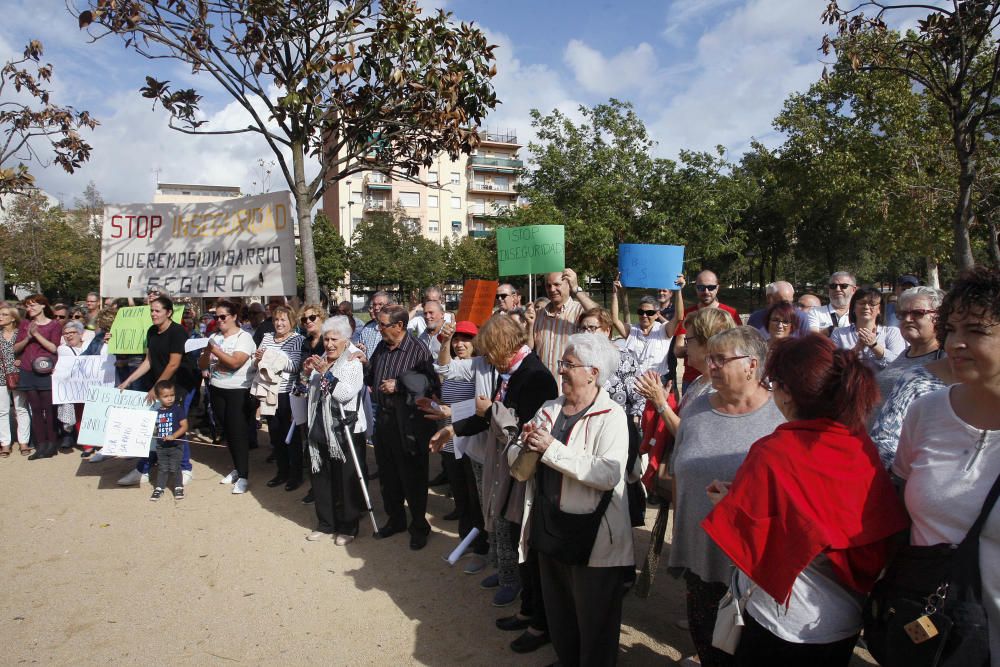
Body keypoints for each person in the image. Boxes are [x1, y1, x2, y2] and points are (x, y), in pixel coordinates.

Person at [702, 334, 908, 665]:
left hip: (783, 619)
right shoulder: (859, 445)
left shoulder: (773, 452)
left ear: (785, 392)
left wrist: (727, 503)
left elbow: (752, 542)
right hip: (844, 617)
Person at [430, 314, 558, 650]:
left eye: (489, 352)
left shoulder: (536, 377)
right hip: (506, 468)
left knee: (526, 545)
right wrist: (453, 429)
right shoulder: (512, 371)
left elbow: (523, 428)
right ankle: (528, 610)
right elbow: (488, 417)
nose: (486, 359)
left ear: (503, 347)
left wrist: (489, 412)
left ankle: (538, 620)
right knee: (513, 538)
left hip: (524, 473)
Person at [891, 266, 1000, 660]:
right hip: (931, 626)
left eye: (976, 330)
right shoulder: (925, 412)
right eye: (952, 329)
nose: (955, 343)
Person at [515, 333, 634, 666]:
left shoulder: (611, 415)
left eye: (568, 365)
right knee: (560, 612)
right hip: (548, 524)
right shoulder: (551, 407)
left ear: (592, 372)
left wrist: (550, 449)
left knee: (595, 619)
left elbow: (607, 474)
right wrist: (523, 444)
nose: (561, 370)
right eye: (562, 364)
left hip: (592, 534)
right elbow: (520, 462)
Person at [669, 326, 784, 667]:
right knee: (708, 640)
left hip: (754, 560)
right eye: (710, 358)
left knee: (751, 648)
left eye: (722, 359)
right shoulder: (696, 407)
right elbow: (679, 468)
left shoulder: (780, 415)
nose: (711, 366)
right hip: (700, 549)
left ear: (752, 365)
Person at [366, 304, 439, 550]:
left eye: (383, 325)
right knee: (388, 474)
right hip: (384, 420)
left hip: (409, 423)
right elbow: (371, 374)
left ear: (399, 326)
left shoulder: (418, 351)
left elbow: (431, 386)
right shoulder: (382, 347)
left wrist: (399, 386)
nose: (379, 329)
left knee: (413, 477)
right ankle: (395, 519)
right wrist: (362, 362)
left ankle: (419, 526)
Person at [116, 296, 198, 486]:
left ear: (168, 313)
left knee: (176, 425)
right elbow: (149, 361)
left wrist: (155, 388)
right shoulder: (151, 331)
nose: (153, 314)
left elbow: (174, 364)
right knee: (152, 428)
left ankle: (185, 468)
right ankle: (143, 469)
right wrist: (128, 380)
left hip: (179, 385)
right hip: (160, 385)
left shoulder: (178, 332)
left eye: (157, 310)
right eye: (151, 310)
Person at [303, 316, 368, 544]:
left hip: (345, 429)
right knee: (321, 478)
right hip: (321, 427)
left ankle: (348, 526)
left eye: (334, 339)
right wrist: (307, 373)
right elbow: (310, 390)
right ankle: (326, 523)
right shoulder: (322, 358)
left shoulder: (352, 361)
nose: (329, 344)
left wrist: (325, 374)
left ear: (346, 340)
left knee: (345, 480)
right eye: (326, 339)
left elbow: (344, 394)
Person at [199, 300, 256, 494]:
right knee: (228, 432)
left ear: (234, 317)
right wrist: (207, 352)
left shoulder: (244, 337)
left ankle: (244, 475)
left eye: (223, 316)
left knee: (238, 432)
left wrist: (214, 350)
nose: (219, 320)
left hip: (238, 390)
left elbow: (234, 363)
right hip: (217, 388)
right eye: (217, 317)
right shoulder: (214, 336)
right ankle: (237, 468)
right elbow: (202, 364)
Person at [255, 305, 305, 491]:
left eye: (283, 319)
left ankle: (296, 474)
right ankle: (282, 471)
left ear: (291, 322)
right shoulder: (267, 337)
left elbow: (294, 366)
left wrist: (273, 358)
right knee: (275, 434)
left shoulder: (297, 339)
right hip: (268, 390)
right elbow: (256, 361)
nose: (279, 323)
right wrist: (259, 358)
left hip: (287, 393)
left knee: (290, 436)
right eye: (276, 319)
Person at [873, 285, 946, 411]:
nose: (907, 319)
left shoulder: (945, 360)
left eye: (917, 313)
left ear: (939, 317)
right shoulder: (904, 354)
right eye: (903, 314)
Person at [672, 270, 743, 392]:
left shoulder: (730, 314)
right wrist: (700, 346)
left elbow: (740, 347)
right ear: (696, 288)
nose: (706, 292)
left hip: (722, 377)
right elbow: (678, 350)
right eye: (701, 287)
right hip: (692, 379)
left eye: (711, 287)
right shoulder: (688, 314)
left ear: (717, 288)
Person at [14, 295, 62, 460]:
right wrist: (27, 336)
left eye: (33, 305)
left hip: (45, 370)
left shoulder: (54, 324)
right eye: (27, 306)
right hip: (27, 370)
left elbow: (54, 348)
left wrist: (37, 335)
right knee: (35, 409)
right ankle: (40, 445)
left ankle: (52, 444)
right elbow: (15, 348)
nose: (30, 308)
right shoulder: (25, 324)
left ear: (43, 306)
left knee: (48, 409)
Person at [527, 268, 598, 380]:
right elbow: (529, 348)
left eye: (557, 284)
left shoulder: (579, 311)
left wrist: (576, 289)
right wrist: (529, 325)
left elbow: (599, 315)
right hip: (543, 386)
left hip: (569, 386)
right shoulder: (538, 315)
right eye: (548, 285)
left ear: (568, 285)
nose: (552, 289)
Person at [610, 275, 685, 375]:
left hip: (657, 382)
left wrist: (678, 290)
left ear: (657, 314)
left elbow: (678, 317)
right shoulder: (631, 330)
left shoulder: (664, 330)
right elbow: (614, 320)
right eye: (641, 312)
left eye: (649, 313)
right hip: (634, 383)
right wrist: (615, 294)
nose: (644, 316)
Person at [578, 307, 645, 418]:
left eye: (592, 328)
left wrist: (634, 423)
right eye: (583, 328)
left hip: (618, 424)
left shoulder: (623, 359)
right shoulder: (578, 359)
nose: (586, 332)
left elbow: (639, 398)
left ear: (607, 331)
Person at [830, 287, 906, 372]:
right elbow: (834, 366)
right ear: (854, 307)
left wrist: (874, 346)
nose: (866, 307)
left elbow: (898, 365)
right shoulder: (839, 333)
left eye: (872, 304)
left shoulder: (892, 332)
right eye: (862, 303)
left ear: (879, 309)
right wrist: (856, 349)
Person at [149, 380, 189, 502]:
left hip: (176, 445)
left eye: (172, 395)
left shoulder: (177, 410)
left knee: (175, 467)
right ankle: (159, 488)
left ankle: (178, 486)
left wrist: (174, 436)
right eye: (166, 396)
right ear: (158, 397)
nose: (170, 398)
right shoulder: (156, 412)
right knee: (162, 467)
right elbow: (154, 428)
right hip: (161, 446)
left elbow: (184, 426)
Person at [0, 305, 30, 456]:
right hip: (0, 375)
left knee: (21, 409)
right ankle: (5, 444)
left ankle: (23, 442)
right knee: (2, 411)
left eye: (4, 314)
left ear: (13, 318)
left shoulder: (20, 334)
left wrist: (21, 360)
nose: (1, 317)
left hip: (18, 374)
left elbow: (29, 351)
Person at [56, 319, 87, 451]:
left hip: (92, 387)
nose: (68, 335)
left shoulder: (89, 345)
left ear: (81, 334)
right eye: (65, 333)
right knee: (80, 414)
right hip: (74, 389)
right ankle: (87, 445)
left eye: (72, 332)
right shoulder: (63, 349)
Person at [352, 291, 390, 358]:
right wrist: (361, 348)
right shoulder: (367, 328)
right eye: (374, 305)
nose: (376, 308)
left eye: (380, 304)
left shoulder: (394, 327)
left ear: (389, 306)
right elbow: (360, 349)